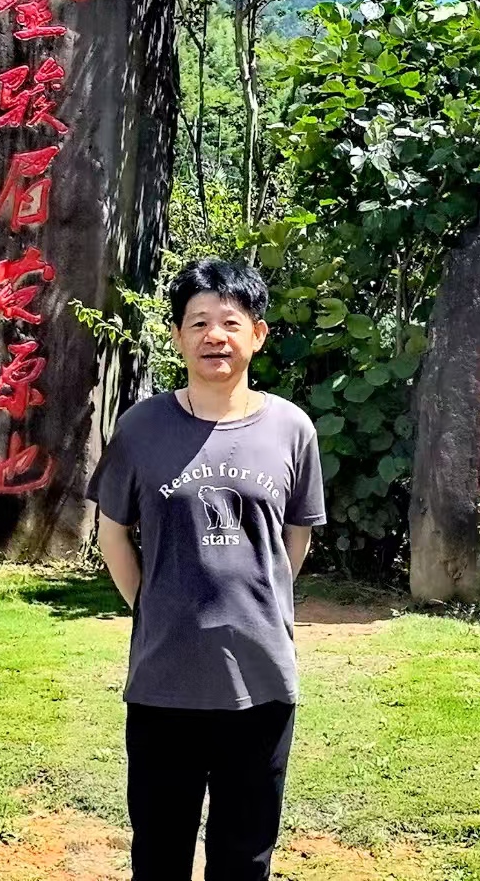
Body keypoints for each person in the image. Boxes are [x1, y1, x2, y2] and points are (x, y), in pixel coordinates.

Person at [86, 258, 325, 881]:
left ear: (258, 334)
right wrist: (153, 604)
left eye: (230, 322)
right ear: (177, 336)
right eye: (197, 323)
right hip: (164, 677)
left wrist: (262, 601)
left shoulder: (291, 428)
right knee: (160, 852)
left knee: (245, 855)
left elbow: (295, 536)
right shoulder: (142, 427)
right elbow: (113, 533)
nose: (214, 336)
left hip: (262, 676)